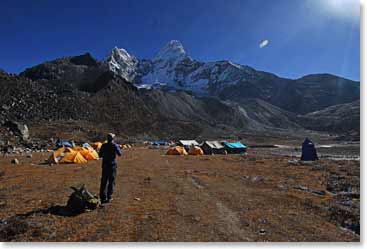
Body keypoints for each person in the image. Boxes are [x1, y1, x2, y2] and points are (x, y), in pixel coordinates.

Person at [98, 133, 122, 203]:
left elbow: (99, 155)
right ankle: (109, 197)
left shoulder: (103, 145)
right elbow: (120, 154)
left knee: (104, 181)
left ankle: (102, 197)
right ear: (113, 139)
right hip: (112, 166)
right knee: (111, 181)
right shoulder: (114, 145)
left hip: (105, 165)